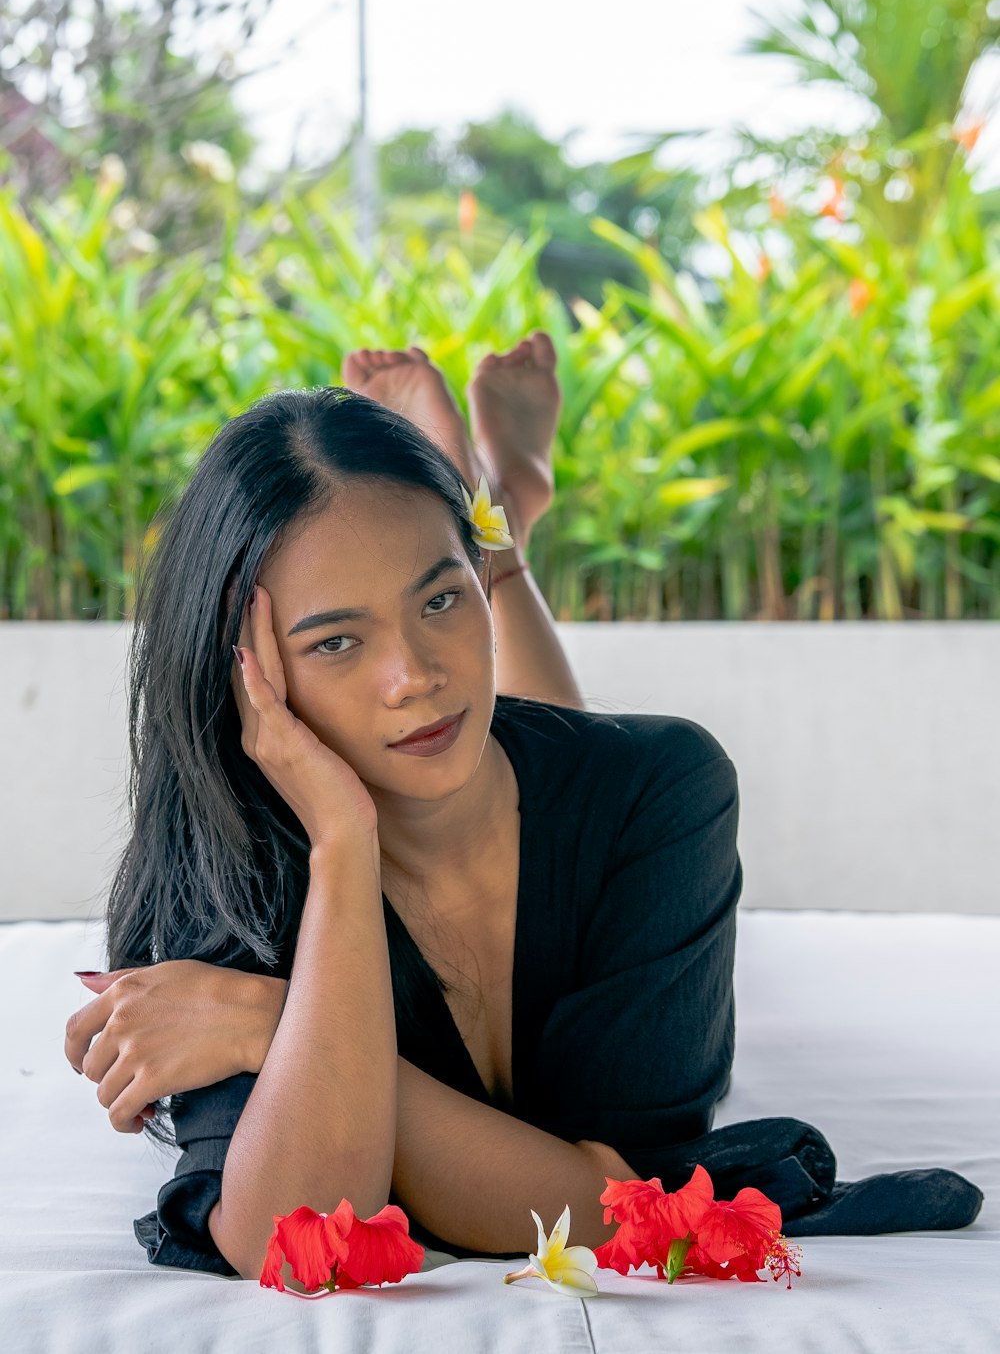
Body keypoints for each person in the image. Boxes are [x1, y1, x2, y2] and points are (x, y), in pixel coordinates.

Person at [64, 334, 982, 1286]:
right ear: (246, 671)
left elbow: (624, 1202)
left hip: (577, 787)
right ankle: (488, 512)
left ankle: (493, 522)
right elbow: (295, 1245)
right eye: (335, 643)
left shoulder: (667, 788)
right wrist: (344, 844)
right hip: (399, 817)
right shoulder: (223, 878)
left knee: (563, 769)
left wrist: (271, 1024)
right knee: (507, 751)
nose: (412, 676)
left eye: (443, 600)